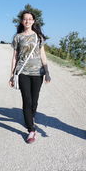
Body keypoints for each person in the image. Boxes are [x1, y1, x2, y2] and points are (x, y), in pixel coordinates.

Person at [9, 11, 51, 143]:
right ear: (22, 21)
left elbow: (43, 54)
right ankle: (31, 129)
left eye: (30, 19)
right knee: (27, 100)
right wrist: (11, 75)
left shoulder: (38, 37)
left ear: (33, 21)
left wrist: (47, 72)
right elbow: (15, 57)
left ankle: (30, 117)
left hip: (38, 73)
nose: (27, 21)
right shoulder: (18, 37)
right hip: (23, 72)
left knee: (34, 100)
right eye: (25, 19)